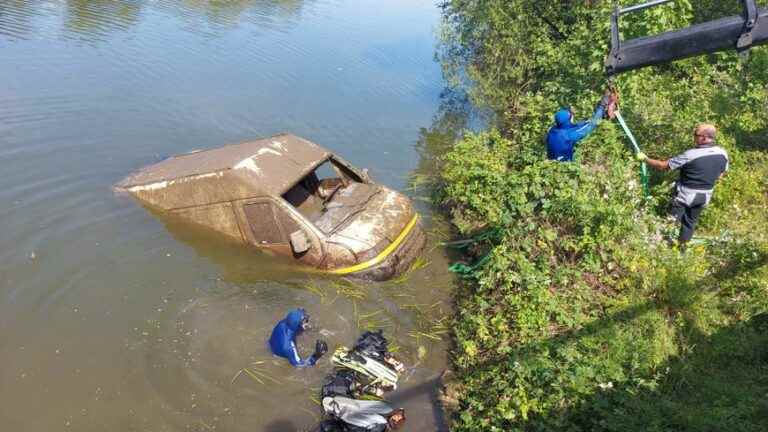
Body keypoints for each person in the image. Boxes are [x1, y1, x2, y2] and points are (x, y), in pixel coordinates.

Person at [637, 123, 728, 245]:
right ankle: (682, 249)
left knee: (670, 221)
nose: (694, 137)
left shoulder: (690, 154)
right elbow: (722, 173)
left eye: (696, 134)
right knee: (690, 222)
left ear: (704, 137)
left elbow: (663, 166)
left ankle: (660, 245)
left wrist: (645, 159)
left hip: (686, 195)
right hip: (705, 196)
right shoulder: (722, 153)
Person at [546, 88, 618, 161]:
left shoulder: (553, 130)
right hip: (564, 165)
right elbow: (591, 126)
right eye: (571, 116)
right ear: (567, 121)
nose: (572, 116)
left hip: (551, 162)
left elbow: (574, 126)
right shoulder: (569, 135)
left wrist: (589, 120)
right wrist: (601, 107)